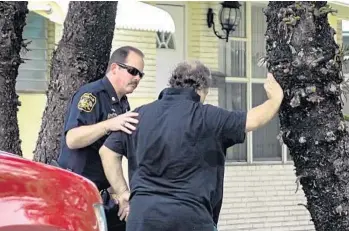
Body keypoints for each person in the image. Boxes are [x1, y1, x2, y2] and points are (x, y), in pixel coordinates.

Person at [99, 60, 284, 231]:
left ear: (173, 83)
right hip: (190, 218)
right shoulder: (209, 117)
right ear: (203, 88)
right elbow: (252, 120)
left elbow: (107, 151)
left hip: (142, 218)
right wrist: (274, 99)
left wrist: (123, 193)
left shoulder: (138, 116)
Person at [57, 45, 145, 231]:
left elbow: (111, 153)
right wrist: (107, 125)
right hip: (77, 196)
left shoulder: (123, 103)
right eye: (133, 71)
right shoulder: (92, 95)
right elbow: (72, 139)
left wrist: (121, 194)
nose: (137, 78)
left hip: (102, 196)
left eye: (140, 75)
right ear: (114, 68)